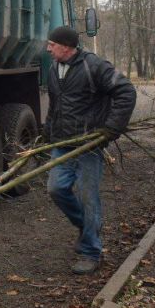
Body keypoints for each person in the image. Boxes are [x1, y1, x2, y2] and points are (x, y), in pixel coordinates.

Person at [44, 26, 136, 275]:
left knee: (88, 197)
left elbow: (126, 91)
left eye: (52, 44)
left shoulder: (93, 66)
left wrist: (110, 129)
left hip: (87, 145)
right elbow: (55, 105)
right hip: (61, 143)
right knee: (56, 189)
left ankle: (90, 252)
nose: (48, 48)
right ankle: (87, 228)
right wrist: (46, 135)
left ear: (65, 46)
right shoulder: (53, 69)